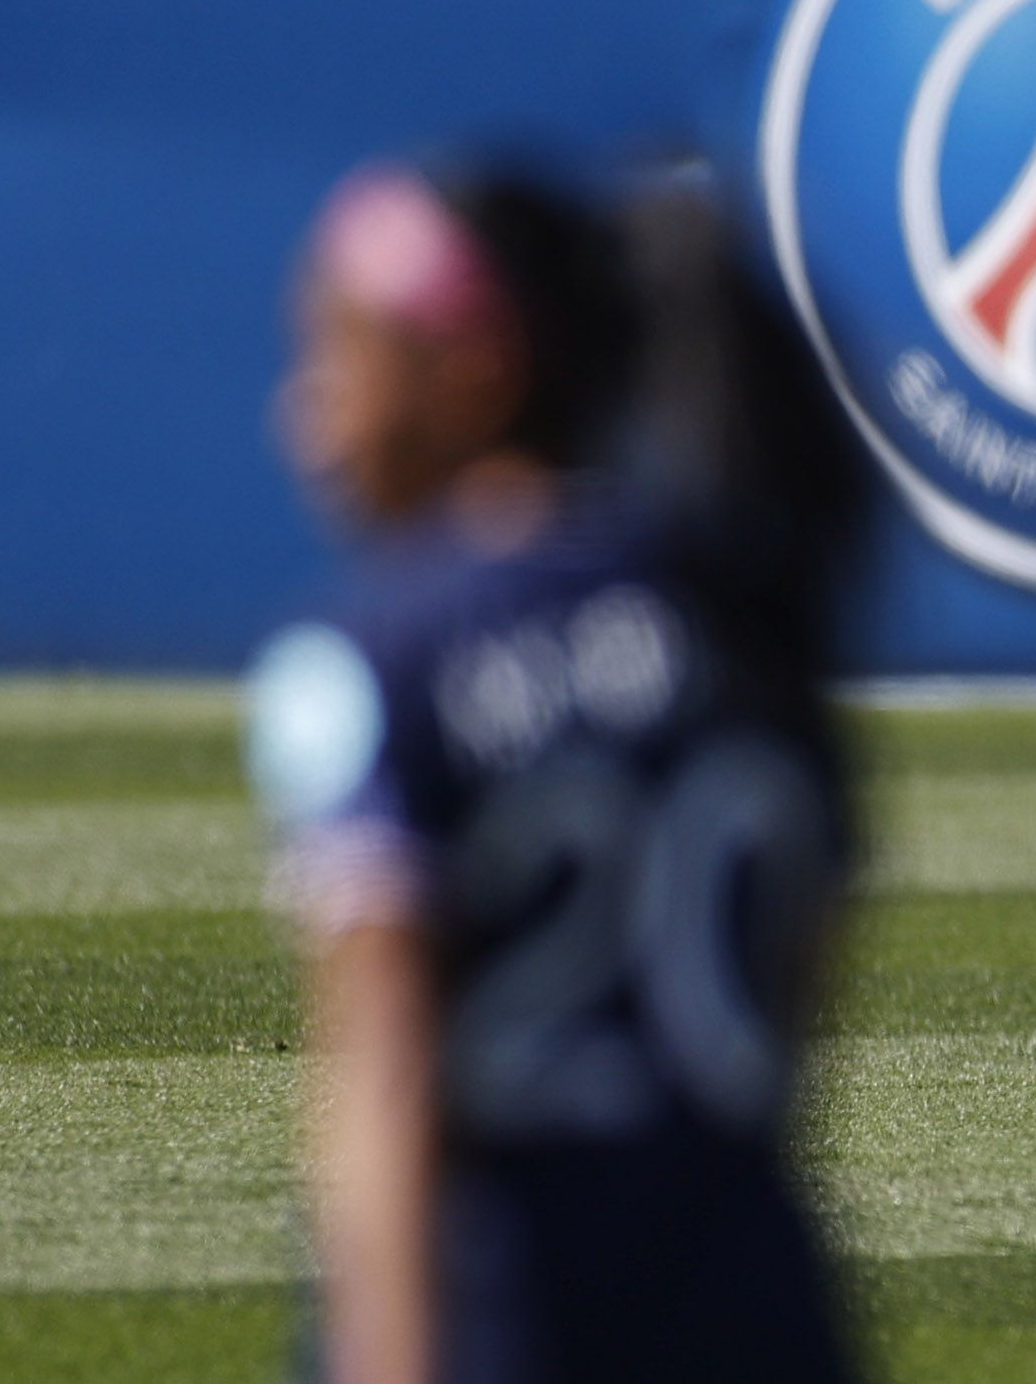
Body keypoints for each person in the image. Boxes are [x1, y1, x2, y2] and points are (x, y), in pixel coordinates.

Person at [244, 157, 866, 1382]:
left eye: (338, 356)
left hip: (507, 1320)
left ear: (474, 374)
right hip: (756, 1319)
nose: (303, 418)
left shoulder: (376, 655)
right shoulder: (759, 630)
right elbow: (785, 1036)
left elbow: (384, 1085)